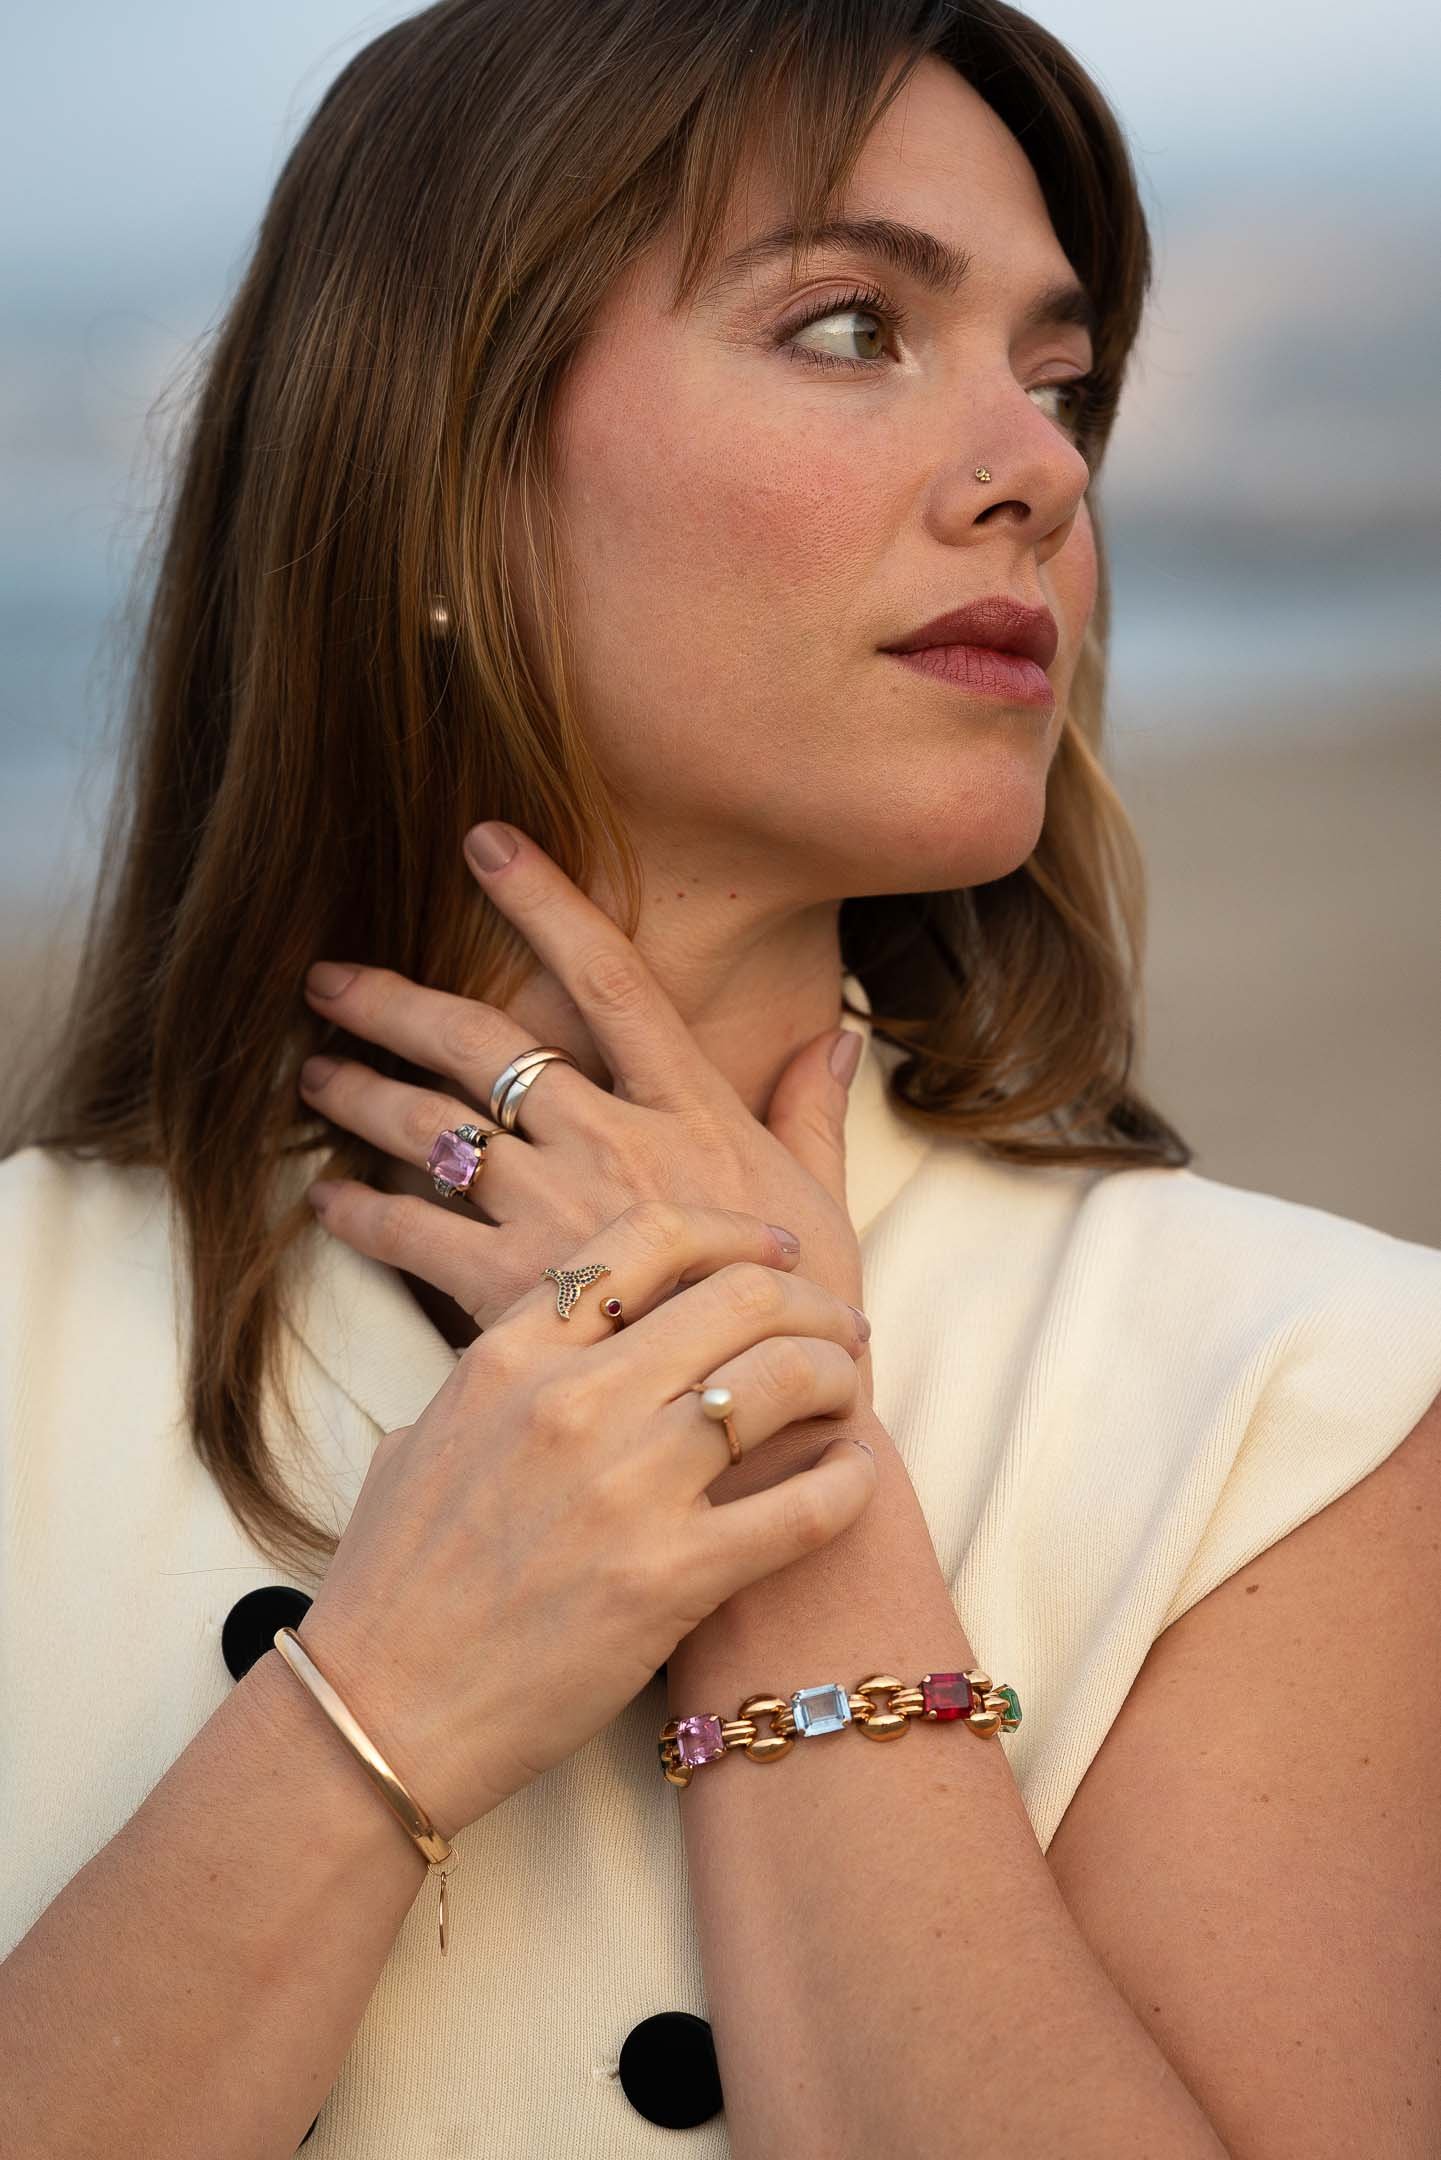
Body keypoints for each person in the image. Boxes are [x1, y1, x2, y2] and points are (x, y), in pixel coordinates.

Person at [1, 4, 1437, 2155]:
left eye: (1058, 382)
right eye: (854, 325)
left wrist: (785, 1509)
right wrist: (385, 1696)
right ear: (430, 450)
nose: (1036, 467)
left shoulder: (1298, 1396)